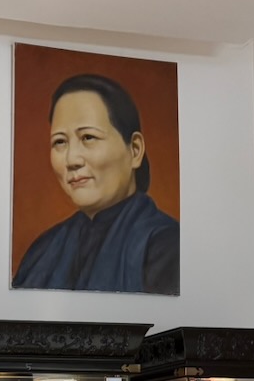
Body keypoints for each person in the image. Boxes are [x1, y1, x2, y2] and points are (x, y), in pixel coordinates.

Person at [13, 73, 178, 294]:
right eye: (60, 142)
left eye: (88, 137)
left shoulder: (167, 246)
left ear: (135, 150)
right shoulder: (42, 251)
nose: (71, 160)